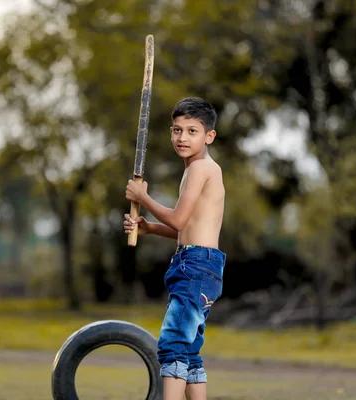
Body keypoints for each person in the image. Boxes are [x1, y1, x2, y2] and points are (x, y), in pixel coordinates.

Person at [124, 97, 226, 400]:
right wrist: (148, 227)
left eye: (192, 131)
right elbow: (186, 228)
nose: (182, 137)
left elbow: (179, 218)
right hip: (200, 263)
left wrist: (144, 197)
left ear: (209, 136)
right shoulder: (198, 168)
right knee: (189, 349)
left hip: (196, 265)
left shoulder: (201, 168)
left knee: (172, 343)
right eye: (177, 130)